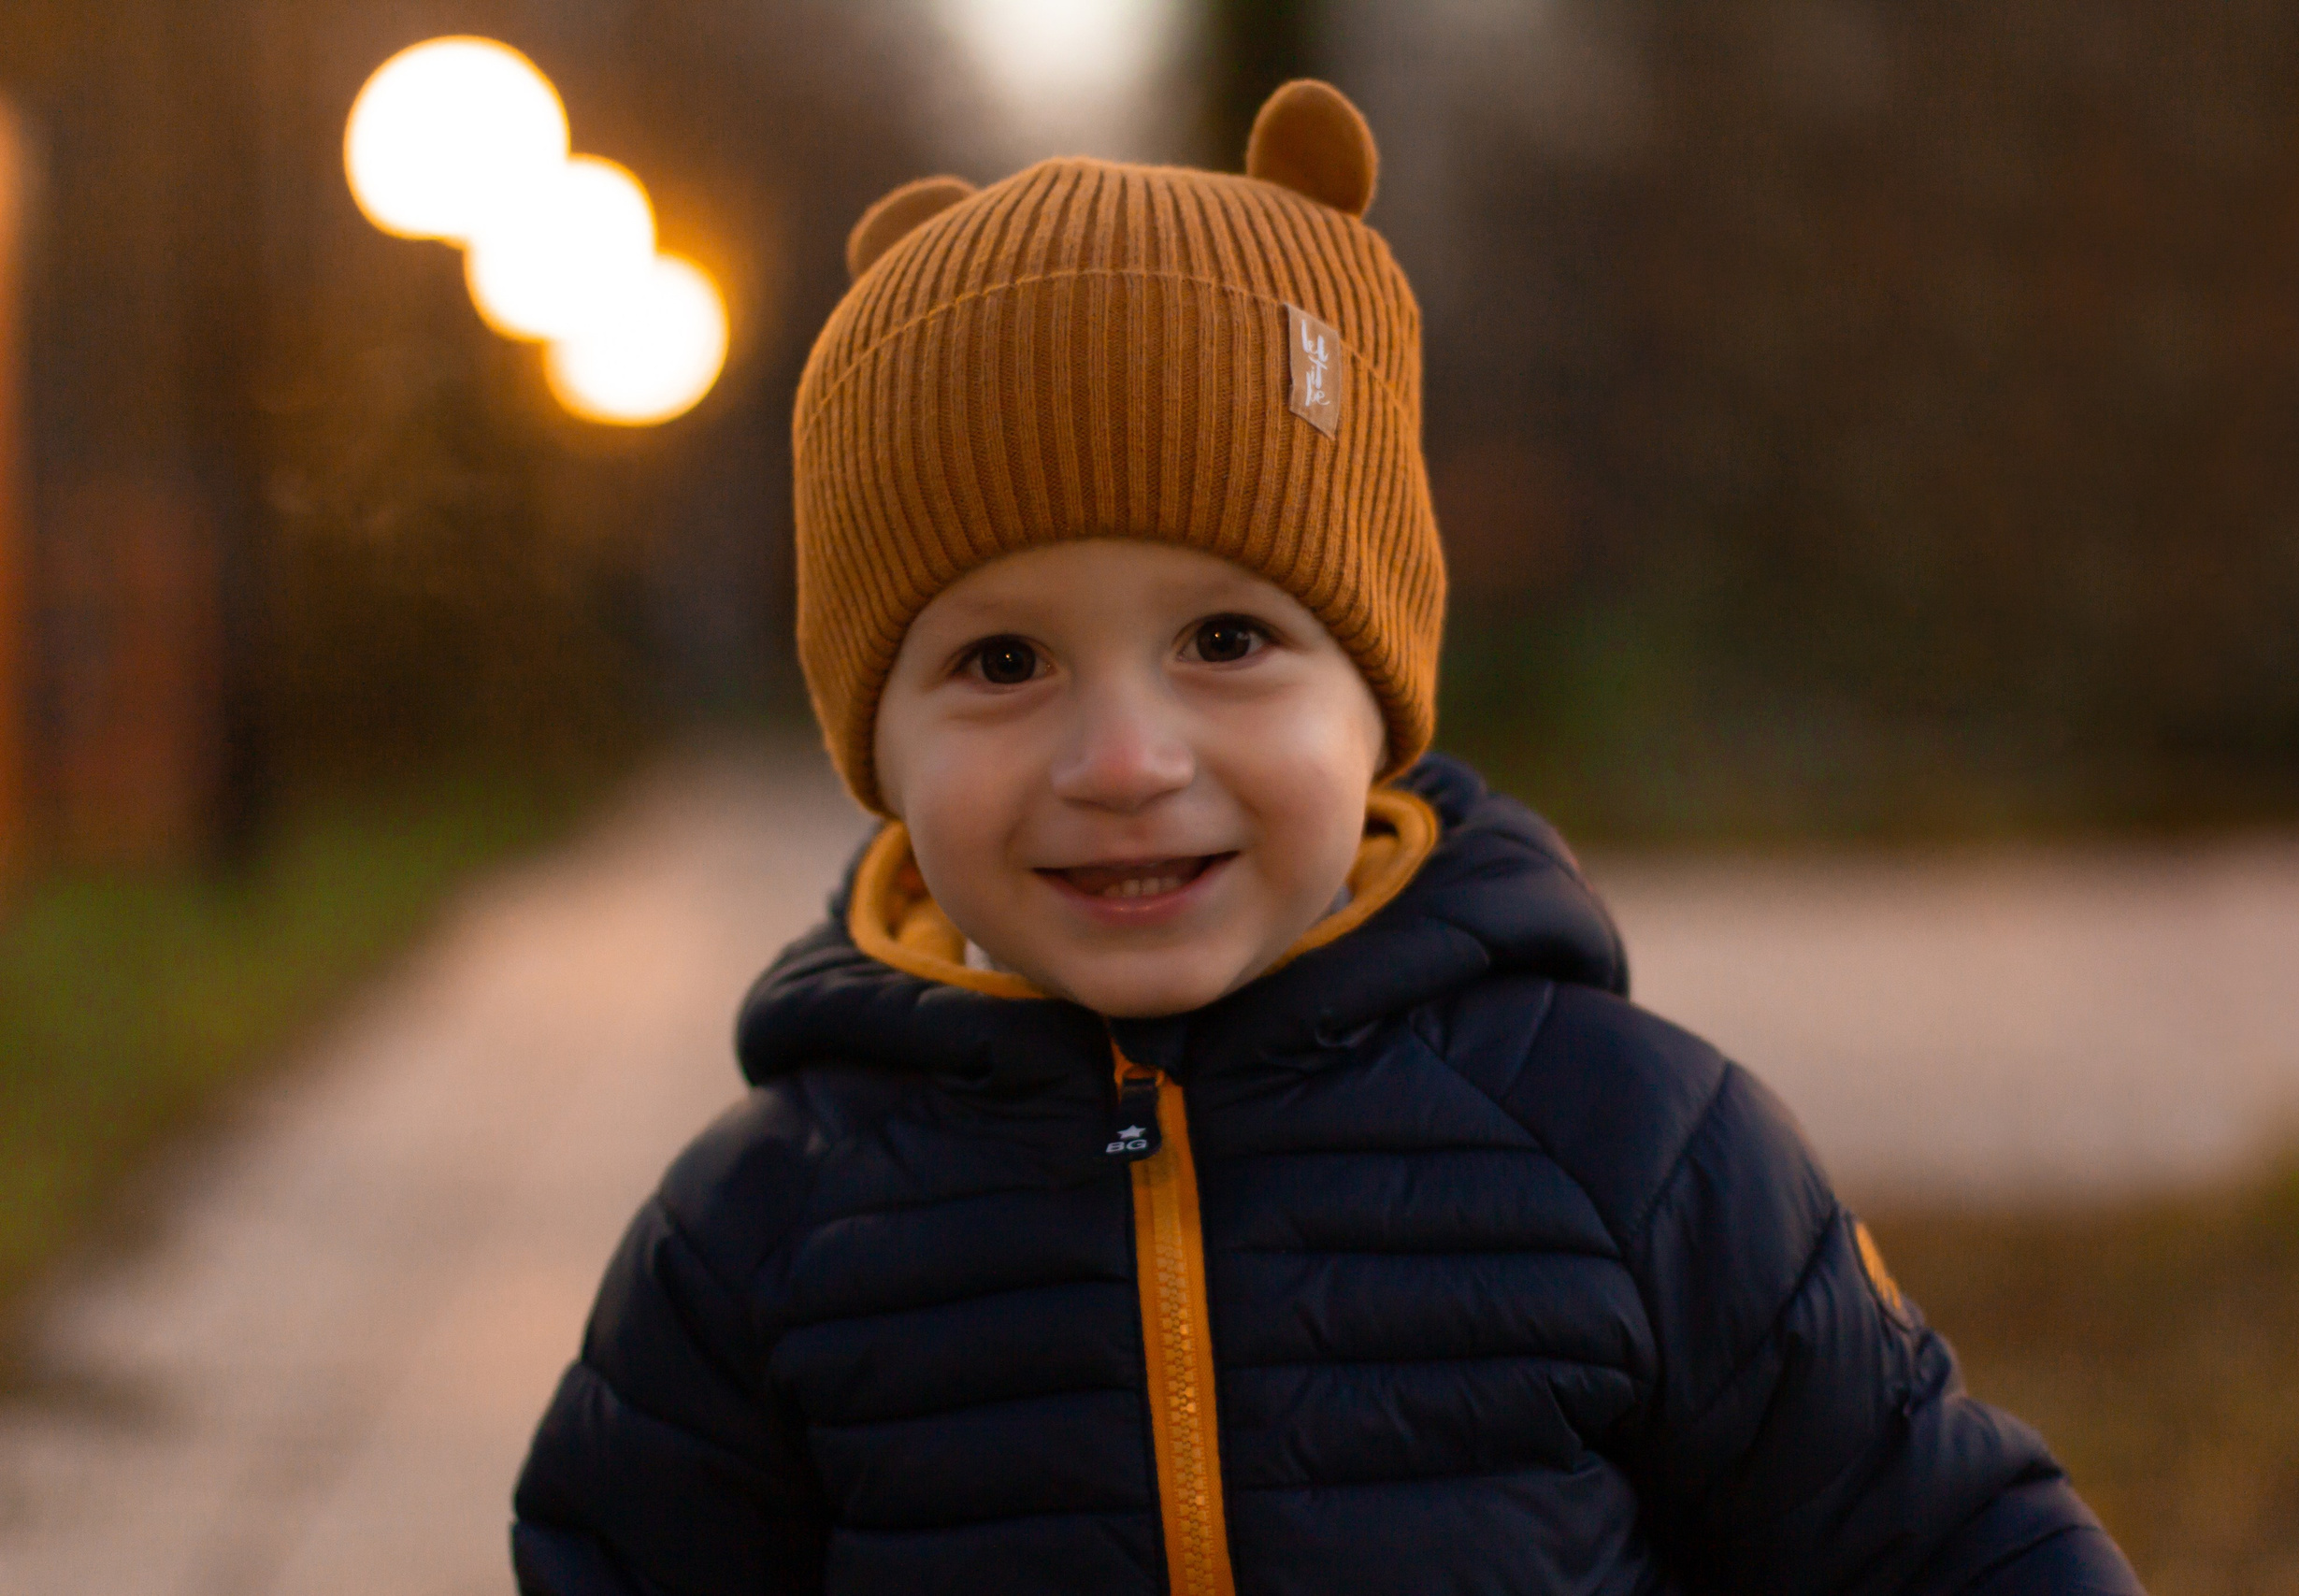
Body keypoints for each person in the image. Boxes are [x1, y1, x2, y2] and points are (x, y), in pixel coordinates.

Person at [510, 80, 2143, 1595]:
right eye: (1001, 664)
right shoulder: (765, 1233)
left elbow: (1950, 1546)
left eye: (1226, 642)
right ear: (873, 745)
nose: (1127, 760)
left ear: (1380, 701)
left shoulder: (1637, 1150)